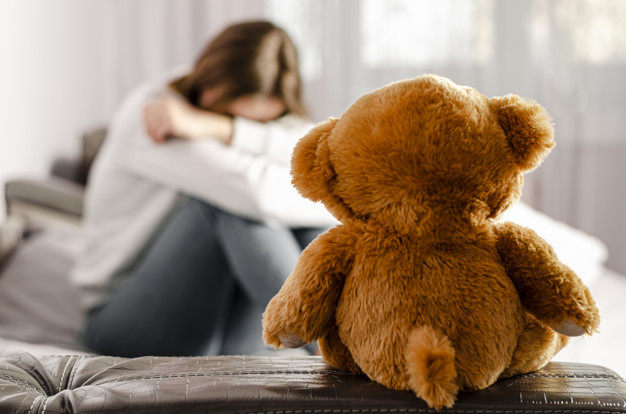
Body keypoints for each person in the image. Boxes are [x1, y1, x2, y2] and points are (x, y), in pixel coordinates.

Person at [70, 21, 336, 357]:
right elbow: (258, 194)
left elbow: (319, 157)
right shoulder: (152, 115)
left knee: (301, 210)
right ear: (209, 90)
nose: (245, 128)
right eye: (234, 117)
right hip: (121, 322)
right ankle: (334, 346)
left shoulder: (213, 113)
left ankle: (357, 333)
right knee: (229, 202)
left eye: (258, 124)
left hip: (219, 329)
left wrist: (226, 128)